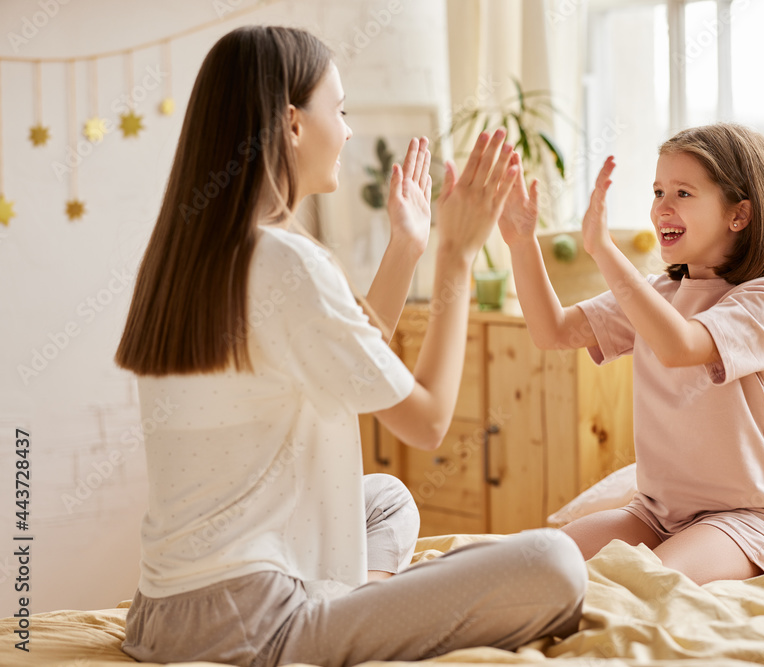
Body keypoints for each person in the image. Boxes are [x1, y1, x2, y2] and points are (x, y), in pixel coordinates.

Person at [113, 25, 586, 667]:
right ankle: (357, 612)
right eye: (338, 110)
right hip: (251, 625)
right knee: (554, 564)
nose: (349, 130)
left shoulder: (184, 255)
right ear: (292, 124)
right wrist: (454, 259)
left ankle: (362, 602)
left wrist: (407, 248)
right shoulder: (283, 261)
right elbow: (428, 420)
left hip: (162, 612)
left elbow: (348, 356)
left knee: (387, 499)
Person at [498, 122, 764, 585]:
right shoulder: (658, 292)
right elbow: (554, 332)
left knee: (640, 586)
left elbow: (679, 345)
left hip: (743, 521)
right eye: (658, 190)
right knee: (534, 563)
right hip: (654, 514)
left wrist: (602, 250)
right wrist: (521, 243)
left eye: (683, 193)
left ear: (739, 214)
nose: (662, 207)